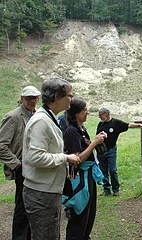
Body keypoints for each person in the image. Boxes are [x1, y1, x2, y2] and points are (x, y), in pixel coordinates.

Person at [22, 76, 81, 239]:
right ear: (56, 97)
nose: (71, 99)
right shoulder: (41, 121)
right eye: (69, 95)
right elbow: (35, 157)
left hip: (48, 191)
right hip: (41, 193)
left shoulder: (49, 117)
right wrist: (65, 158)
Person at [0, 86, 41, 240]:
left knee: (33, 207)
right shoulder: (13, 117)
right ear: (22, 98)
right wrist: (17, 164)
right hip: (23, 168)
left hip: (36, 167)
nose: (32, 100)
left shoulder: (37, 114)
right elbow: (1, 146)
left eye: (35, 97)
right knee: (22, 208)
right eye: (28, 97)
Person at [63, 98, 107, 240]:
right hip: (79, 180)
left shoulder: (82, 129)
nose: (87, 112)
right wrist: (94, 143)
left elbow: (85, 147)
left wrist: (97, 140)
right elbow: (77, 159)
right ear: (76, 113)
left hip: (88, 177)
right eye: (84, 110)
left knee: (89, 214)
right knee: (79, 215)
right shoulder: (71, 131)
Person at [96, 106, 142, 196]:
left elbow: (128, 125)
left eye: (100, 115)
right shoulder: (100, 124)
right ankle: (106, 189)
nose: (99, 117)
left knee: (112, 170)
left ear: (106, 114)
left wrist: (140, 125)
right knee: (103, 171)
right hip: (101, 151)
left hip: (111, 150)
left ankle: (116, 189)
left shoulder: (116, 123)